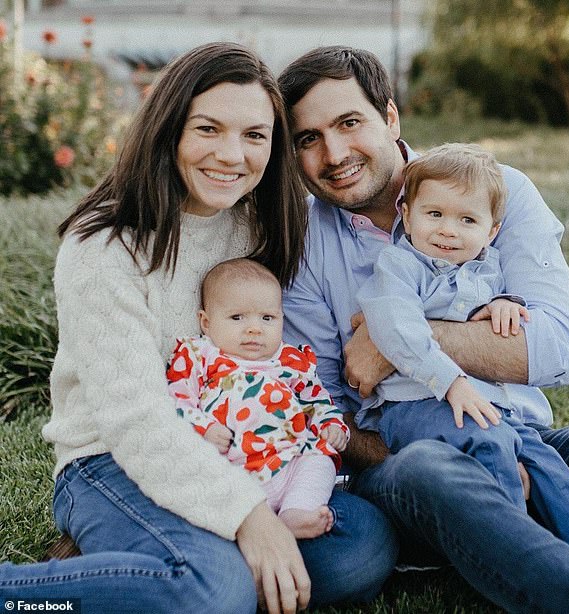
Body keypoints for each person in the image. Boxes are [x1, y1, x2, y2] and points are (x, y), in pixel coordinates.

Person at [0, 43, 398, 614]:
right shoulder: (104, 247)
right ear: (170, 129)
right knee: (211, 592)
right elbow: (134, 421)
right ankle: (37, 594)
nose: (231, 155)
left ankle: (155, 570)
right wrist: (247, 517)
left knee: (358, 552)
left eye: (255, 136)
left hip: (250, 457)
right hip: (112, 459)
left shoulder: (259, 224)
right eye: (208, 128)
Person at [278, 45, 569, 612]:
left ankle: (510, 528)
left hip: (525, 445)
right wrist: (459, 456)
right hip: (401, 464)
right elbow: (320, 408)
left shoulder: (499, 192)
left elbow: (562, 349)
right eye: (308, 139)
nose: (334, 153)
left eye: (349, 123)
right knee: (431, 467)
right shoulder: (302, 244)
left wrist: (399, 342)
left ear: (390, 118)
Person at [355, 142, 569, 567]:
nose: (448, 230)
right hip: (415, 404)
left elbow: (487, 314)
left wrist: (500, 304)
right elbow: (396, 329)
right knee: (493, 441)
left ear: (490, 231)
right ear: (407, 216)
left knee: (541, 459)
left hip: (488, 406)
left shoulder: (484, 267)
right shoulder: (398, 267)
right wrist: (451, 381)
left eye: (467, 220)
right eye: (434, 215)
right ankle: (523, 557)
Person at [166, 257, 349, 539]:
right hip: (236, 470)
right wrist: (204, 427)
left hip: (291, 460)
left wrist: (332, 426)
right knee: (207, 484)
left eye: (267, 318)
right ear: (206, 322)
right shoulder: (201, 354)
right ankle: (248, 529)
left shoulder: (291, 360)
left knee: (320, 460)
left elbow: (317, 400)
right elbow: (176, 400)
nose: (255, 329)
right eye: (237, 317)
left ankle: (296, 512)